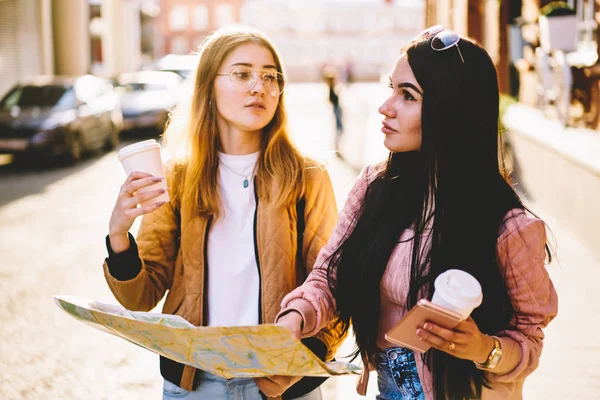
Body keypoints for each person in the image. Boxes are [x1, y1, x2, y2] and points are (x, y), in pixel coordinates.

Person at [276, 26, 558, 400]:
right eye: (390, 88)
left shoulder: (509, 227)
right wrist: (294, 316)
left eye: (407, 95)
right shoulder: (374, 187)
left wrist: (482, 349)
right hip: (388, 391)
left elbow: (528, 338)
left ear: (450, 110)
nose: (385, 106)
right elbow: (330, 275)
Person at [102, 27, 346, 400]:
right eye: (242, 73)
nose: (258, 87)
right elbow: (142, 296)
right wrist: (119, 235)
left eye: (270, 76)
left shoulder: (307, 176)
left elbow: (333, 285)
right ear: (208, 87)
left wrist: (301, 363)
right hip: (193, 383)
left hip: (282, 385)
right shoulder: (177, 178)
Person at [322, 66, 344, 152]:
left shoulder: (332, 88)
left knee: (339, 127)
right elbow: (332, 99)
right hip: (336, 109)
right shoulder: (331, 88)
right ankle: (336, 145)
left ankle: (336, 144)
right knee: (340, 128)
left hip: (336, 108)